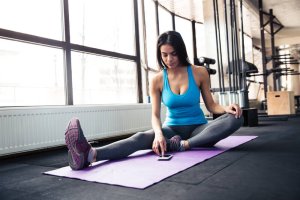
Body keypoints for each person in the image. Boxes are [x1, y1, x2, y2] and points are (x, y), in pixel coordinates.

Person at [65, 30, 244, 170]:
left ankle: (184, 145)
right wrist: (159, 135)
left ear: (181, 51)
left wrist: (227, 108)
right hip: (171, 131)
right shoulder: (157, 79)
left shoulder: (199, 72)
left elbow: (212, 105)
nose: (169, 59)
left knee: (236, 118)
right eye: (164, 55)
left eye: (173, 54)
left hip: (200, 131)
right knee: (142, 137)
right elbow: (155, 115)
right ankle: (89, 155)